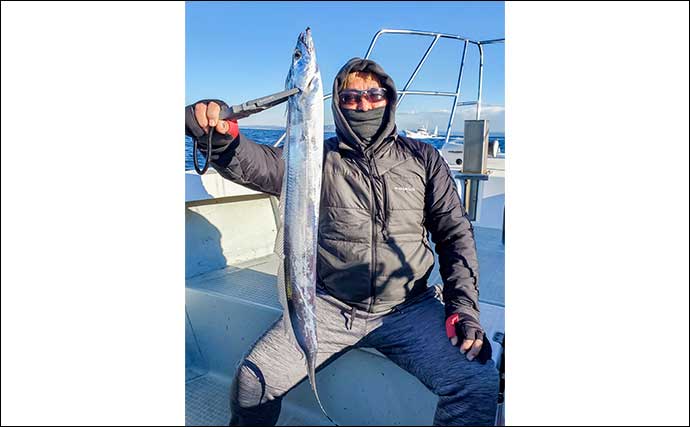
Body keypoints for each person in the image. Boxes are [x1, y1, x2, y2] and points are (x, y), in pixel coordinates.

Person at [185, 58, 499, 426]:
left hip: (408, 310)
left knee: (476, 380)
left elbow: (454, 236)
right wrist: (220, 140)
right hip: (327, 307)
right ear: (336, 102)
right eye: (350, 96)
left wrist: (463, 309)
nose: (363, 104)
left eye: (373, 94)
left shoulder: (424, 159)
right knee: (252, 382)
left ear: (389, 98)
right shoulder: (314, 154)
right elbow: (261, 165)